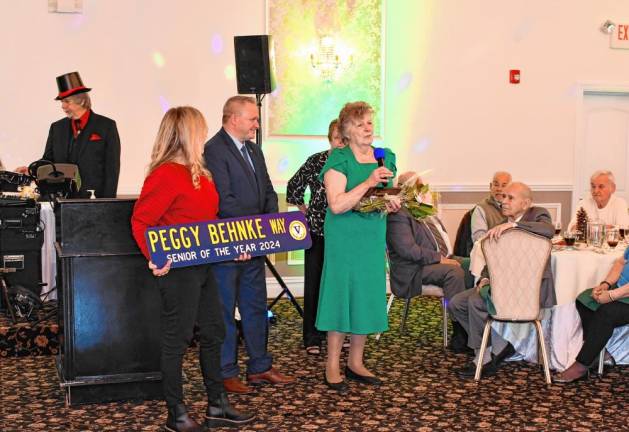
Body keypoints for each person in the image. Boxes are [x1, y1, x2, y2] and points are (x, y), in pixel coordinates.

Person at [131, 106, 254, 431]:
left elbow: (207, 223)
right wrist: (155, 257)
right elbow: (141, 220)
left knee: (215, 332)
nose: (204, 135)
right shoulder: (166, 174)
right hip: (178, 270)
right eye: (199, 129)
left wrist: (234, 247)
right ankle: (177, 414)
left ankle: (217, 405)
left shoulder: (200, 172)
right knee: (177, 339)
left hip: (204, 267)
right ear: (186, 133)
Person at [203, 96, 294, 394]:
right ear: (233, 119)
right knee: (225, 311)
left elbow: (267, 190)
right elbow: (223, 201)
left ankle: (260, 367)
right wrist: (253, 232)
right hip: (229, 246)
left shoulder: (254, 149)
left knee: (256, 308)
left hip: (254, 245)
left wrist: (268, 228)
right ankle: (226, 372)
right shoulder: (214, 149)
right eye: (253, 119)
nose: (257, 124)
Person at [317, 101, 400, 392]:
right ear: (346, 130)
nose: (367, 128)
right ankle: (331, 365)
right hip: (344, 238)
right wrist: (368, 182)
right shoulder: (338, 160)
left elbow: (381, 197)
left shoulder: (384, 157)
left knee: (366, 295)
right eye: (360, 123)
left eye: (369, 122)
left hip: (371, 237)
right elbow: (337, 205)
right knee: (342, 297)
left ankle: (356, 362)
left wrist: (391, 202)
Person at [448, 182, 555, 378]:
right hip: (501, 285)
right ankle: (500, 344)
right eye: (503, 197)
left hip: (529, 290)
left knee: (474, 302)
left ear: (526, 203)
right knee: (457, 303)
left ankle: (483, 357)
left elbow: (548, 230)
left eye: (510, 198)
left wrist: (514, 225)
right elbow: (494, 259)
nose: (503, 201)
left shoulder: (537, 214)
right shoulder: (501, 225)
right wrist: (485, 278)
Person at [386, 171, 474, 352]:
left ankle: (473, 321)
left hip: (432, 261)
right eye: (420, 187)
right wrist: (440, 259)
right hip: (413, 270)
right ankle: (460, 333)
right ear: (407, 190)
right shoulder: (398, 214)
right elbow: (408, 250)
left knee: (470, 264)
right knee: (454, 272)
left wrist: (445, 258)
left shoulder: (422, 211)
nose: (425, 191)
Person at [286, 119, 345, 355]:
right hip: (317, 233)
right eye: (337, 138)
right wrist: (303, 208)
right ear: (330, 138)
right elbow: (293, 186)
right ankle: (312, 337)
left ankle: (341, 333)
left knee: (340, 286)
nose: (341, 142)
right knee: (314, 286)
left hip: (344, 235)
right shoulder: (317, 160)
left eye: (344, 138)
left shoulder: (352, 163)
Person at [17, 71, 121, 198]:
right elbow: (48, 161)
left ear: (81, 101)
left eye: (67, 101)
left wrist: (107, 204)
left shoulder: (106, 126)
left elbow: (112, 170)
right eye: (62, 102)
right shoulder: (57, 128)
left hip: (94, 201)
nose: (63, 106)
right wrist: (30, 170)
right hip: (61, 200)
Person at [555, 254, 629, 383]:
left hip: (623, 293)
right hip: (622, 290)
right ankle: (595, 352)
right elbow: (621, 262)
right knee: (585, 300)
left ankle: (582, 365)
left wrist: (612, 295)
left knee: (607, 312)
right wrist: (605, 285)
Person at [470, 171, 512, 242]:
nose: (499, 189)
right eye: (496, 185)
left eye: (504, 185)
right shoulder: (481, 208)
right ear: (490, 186)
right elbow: (479, 239)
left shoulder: (518, 206)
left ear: (511, 188)